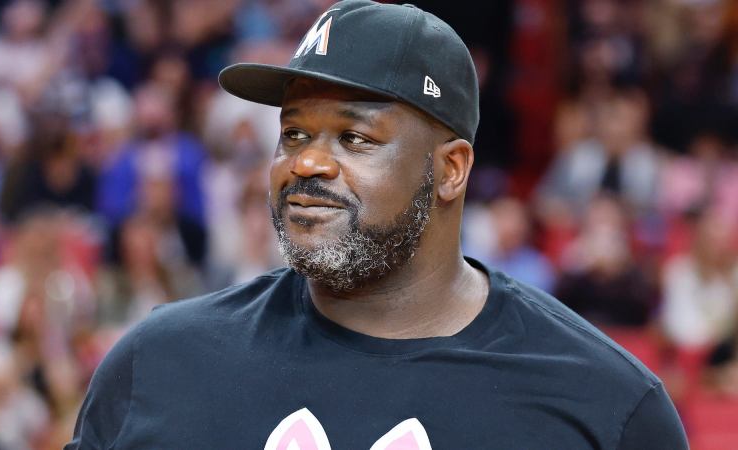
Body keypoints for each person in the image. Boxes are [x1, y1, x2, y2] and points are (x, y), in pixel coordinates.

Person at [66, 2, 688, 448]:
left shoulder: (603, 406)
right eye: (294, 133)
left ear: (450, 170)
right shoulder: (160, 362)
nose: (307, 163)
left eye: (355, 137)